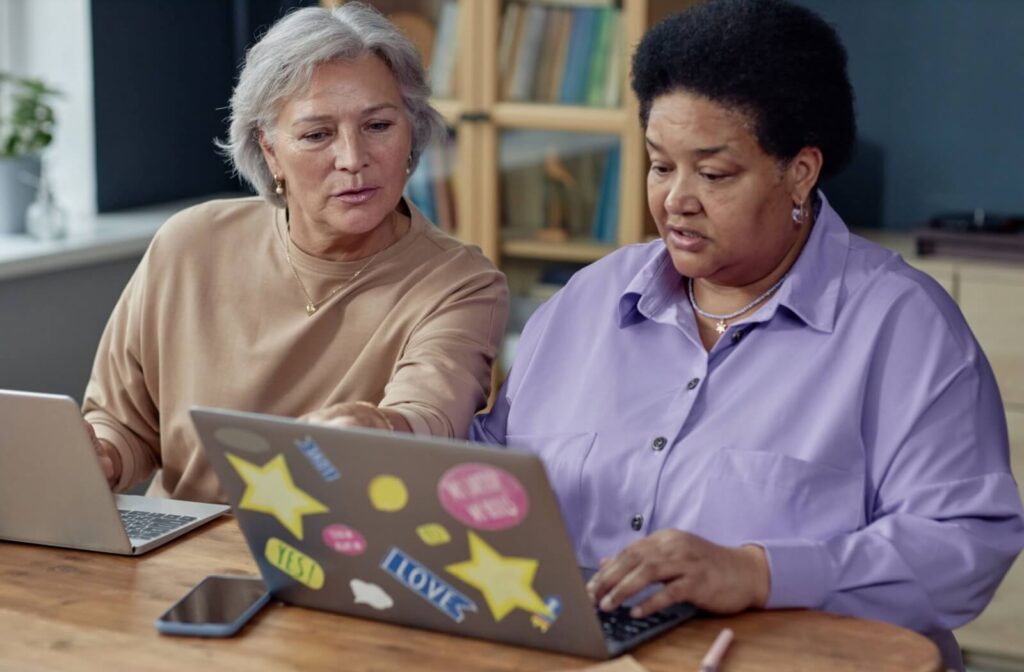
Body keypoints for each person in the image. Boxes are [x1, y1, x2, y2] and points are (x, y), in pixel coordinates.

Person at [470, 1, 1023, 668]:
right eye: (659, 165)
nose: (676, 198)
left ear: (801, 172)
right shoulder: (587, 301)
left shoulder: (903, 327)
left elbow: (964, 547)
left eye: (714, 173)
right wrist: (401, 438)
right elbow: (495, 470)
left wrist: (760, 572)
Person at [83, 3, 507, 503]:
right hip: (176, 554)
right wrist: (101, 456)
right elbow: (121, 423)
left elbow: (430, 419)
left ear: (411, 132)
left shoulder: (461, 282)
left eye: (378, 126)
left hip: (337, 561)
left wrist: (383, 426)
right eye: (316, 135)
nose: (352, 160)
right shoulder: (189, 244)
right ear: (269, 150)